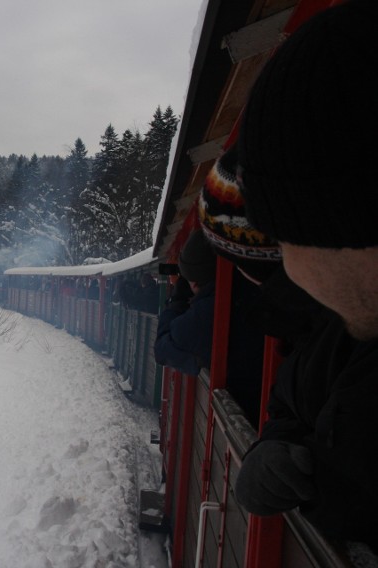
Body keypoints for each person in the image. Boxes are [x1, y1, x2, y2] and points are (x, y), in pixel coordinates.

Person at [231, 0, 378, 551]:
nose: (284, 265)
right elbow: (295, 403)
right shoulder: (346, 337)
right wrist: (274, 446)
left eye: (286, 237)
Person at [154, 230, 265, 425]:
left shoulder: (208, 310)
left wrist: (177, 301)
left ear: (194, 280)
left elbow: (162, 349)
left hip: (246, 418)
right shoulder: (249, 294)